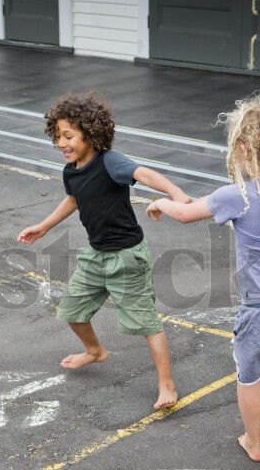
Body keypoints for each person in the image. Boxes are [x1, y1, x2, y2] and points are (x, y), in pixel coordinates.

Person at [145, 92, 260, 466]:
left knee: (248, 375)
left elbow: (186, 214)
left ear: (241, 149)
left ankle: (253, 442)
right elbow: (215, 201)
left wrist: (160, 203)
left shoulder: (238, 195)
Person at [18, 92, 191, 410]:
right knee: (71, 311)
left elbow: (144, 174)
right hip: (96, 254)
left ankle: (166, 383)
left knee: (146, 322)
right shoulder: (71, 169)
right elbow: (73, 199)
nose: (61, 143)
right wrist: (44, 226)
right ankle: (95, 351)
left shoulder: (110, 162)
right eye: (57, 137)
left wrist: (175, 192)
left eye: (68, 136)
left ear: (91, 133)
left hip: (127, 256)